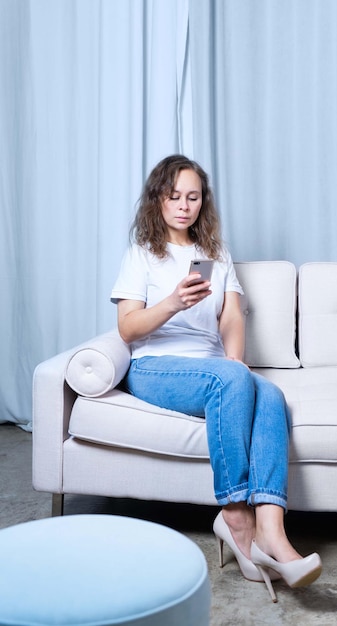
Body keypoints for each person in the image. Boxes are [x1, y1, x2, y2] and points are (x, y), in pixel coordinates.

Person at [111, 154, 322, 602]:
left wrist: (234, 360)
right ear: (158, 201)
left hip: (212, 366)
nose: (184, 206)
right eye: (174, 197)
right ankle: (234, 515)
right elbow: (127, 328)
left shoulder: (214, 253)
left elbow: (231, 314)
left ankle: (273, 532)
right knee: (230, 381)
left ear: (203, 201)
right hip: (155, 367)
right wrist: (171, 303)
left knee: (270, 395)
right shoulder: (141, 254)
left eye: (193, 197)